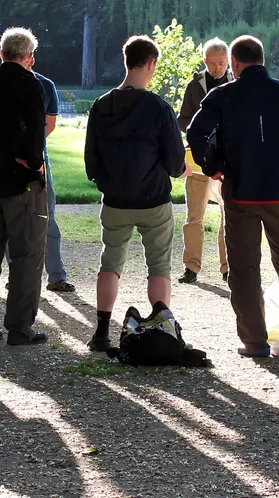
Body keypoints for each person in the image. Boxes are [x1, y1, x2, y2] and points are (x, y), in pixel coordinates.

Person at [187, 35, 279, 358]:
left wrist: (213, 166)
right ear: (262, 59)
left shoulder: (223, 95)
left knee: (244, 268)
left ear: (235, 63)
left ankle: (255, 341)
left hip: (241, 191)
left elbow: (195, 133)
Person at [83, 35, 186, 352]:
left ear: (126, 60)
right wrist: (180, 170)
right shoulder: (158, 108)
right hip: (154, 200)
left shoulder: (101, 106)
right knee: (159, 266)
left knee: (110, 263)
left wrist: (108, 181)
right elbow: (175, 163)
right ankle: (162, 330)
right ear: (151, 63)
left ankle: (101, 331)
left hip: (115, 200)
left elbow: (91, 162)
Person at [0, 27, 51, 346]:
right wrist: (33, 163)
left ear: (2, 54)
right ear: (29, 57)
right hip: (20, 182)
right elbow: (35, 131)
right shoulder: (31, 84)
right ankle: (19, 326)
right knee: (26, 255)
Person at [176, 38, 233, 284]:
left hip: (227, 160)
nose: (216, 68)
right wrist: (200, 131)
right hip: (198, 160)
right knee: (194, 216)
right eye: (211, 63)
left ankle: (228, 267)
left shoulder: (236, 83)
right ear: (204, 61)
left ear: (228, 60)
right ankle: (191, 266)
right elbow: (182, 119)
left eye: (221, 63)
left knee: (228, 216)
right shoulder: (195, 85)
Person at [34, 63, 74, 293]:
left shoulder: (45, 85)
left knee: (47, 216)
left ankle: (56, 276)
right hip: (10, 161)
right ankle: (20, 275)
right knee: (13, 218)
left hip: (40, 157)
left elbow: (49, 126)